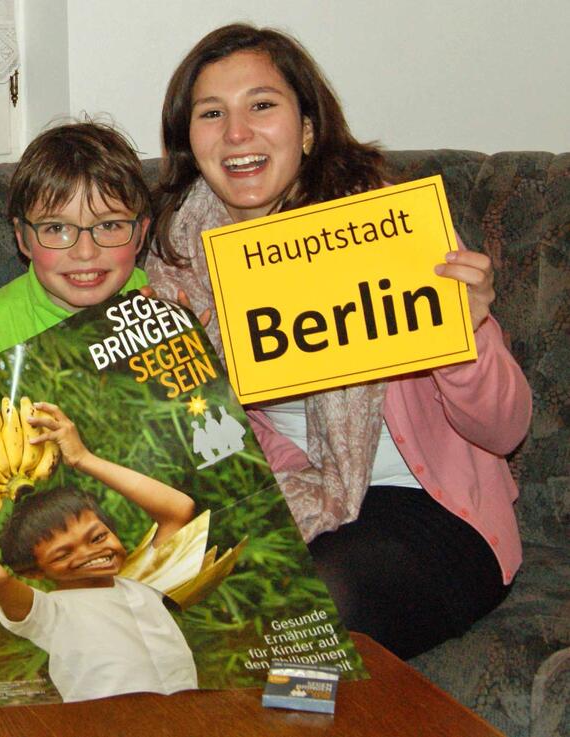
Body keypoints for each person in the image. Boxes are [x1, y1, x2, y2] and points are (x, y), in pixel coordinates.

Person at [148, 23, 532, 658]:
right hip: (288, 499)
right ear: (190, 141)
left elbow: (505, 429)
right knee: (150, 607)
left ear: (306, 128)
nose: (236, 133)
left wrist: (470, 335)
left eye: (262, 105)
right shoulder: (175, 263)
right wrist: (192, 385)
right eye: (211, 113)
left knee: (308, 607)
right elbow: (204, 456)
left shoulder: (393, 232)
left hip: (430, 508)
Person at [0, 402, 198, 702]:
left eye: (98, 537)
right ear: (33, 571)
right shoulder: (47, 612)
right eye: (62, 554)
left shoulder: (144, 583)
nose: (89, 553)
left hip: (185, 714)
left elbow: (179, 510)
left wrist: (84, 459)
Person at [0, 121, 152, 383]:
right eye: (56, 228)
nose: (85, 252)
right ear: (23, 239)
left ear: (140, 234)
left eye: (108, 225)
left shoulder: (161, 301)